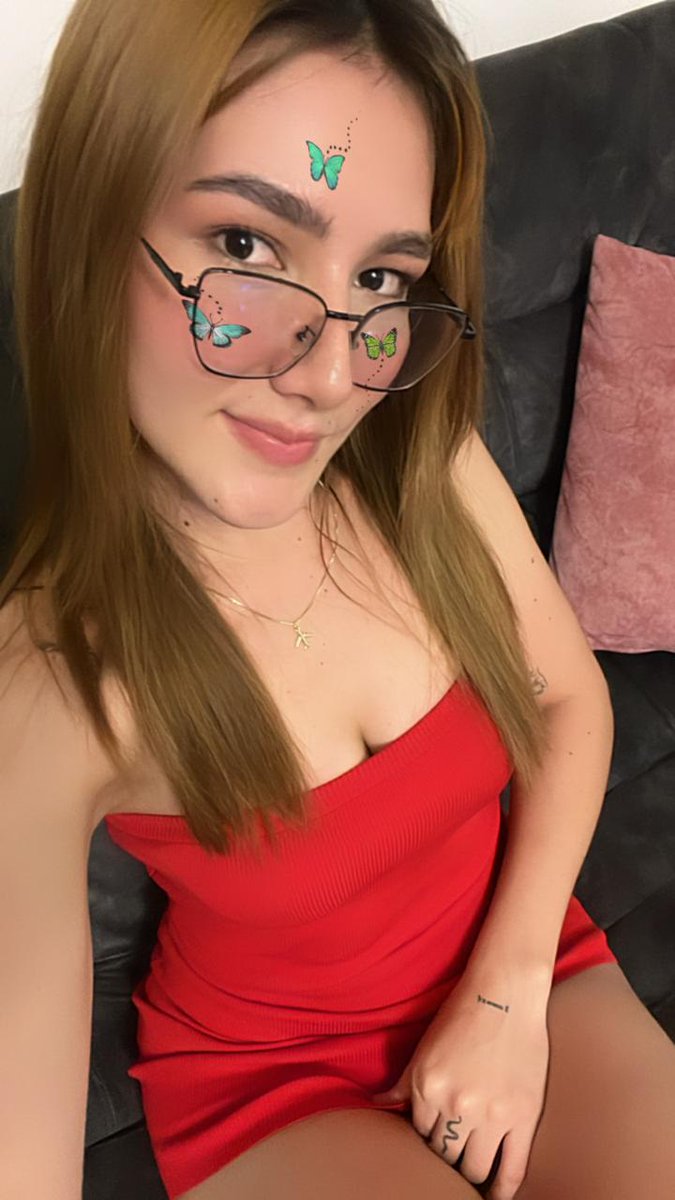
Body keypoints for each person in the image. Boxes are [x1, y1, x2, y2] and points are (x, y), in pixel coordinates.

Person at [2, 1, 674, 1198]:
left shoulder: (416, 451)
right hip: (269, 1088)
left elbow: (568, 700)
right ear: (86, 224)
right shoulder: (49, 679)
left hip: (523, 954)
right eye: (248, 246)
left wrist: (508, 991)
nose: (326, 373)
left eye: (377, 278)